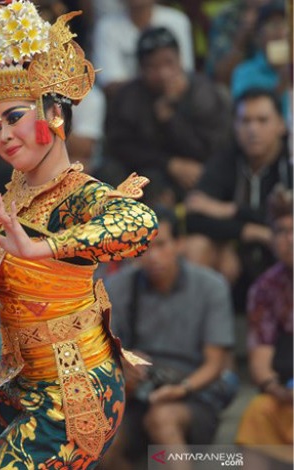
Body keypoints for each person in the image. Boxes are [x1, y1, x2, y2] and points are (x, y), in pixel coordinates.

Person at [0, 4, 158, 468]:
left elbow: (140, 224)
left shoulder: (78, 194)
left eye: (13, 117)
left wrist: (43, 247)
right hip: (20, 387)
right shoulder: (14, 198)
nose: (4, 135)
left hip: (71, 388)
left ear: (53, 111)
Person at [101, 206, 237, 469]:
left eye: (161, 245)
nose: (152, 256)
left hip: (193, 393)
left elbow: (214, 364)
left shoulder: (211, 286)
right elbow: (100, 351)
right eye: (143, 247)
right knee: (101, 439)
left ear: (179, 244)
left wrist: (181, 388)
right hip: (136, 393)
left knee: (162, 418)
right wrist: (122, 362)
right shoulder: (117, 286)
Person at [104, 26, 231, 204]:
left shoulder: (203, 93)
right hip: (146, 173)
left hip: (197, 170)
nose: (163, 73)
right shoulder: (128, 96)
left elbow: (210, 148)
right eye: (153, 66)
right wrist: (169, 164)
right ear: (141, 68)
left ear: (180, 60)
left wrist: (171, 119)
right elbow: (120, 146)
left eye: (168, 63)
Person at [185, 88, 292, 297]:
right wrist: (252, 231)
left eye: (262, 121)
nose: (253, 129)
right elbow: (195, 216)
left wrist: (231, 210)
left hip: (281, 252)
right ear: (235, 125)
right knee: (198, 245)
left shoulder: (289, 161)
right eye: (245, 121)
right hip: (240, 259)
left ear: (281, 124)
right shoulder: (226, 158)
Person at [235, 187, 293, 467]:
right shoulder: (265, 288)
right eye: (282, 231)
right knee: (259, 411)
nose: (291, 239)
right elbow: (261, 358)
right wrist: (278, 389)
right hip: (287, 395)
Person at [91, 0, 194, 98]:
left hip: (175, 100)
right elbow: (109, 84)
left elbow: (186, 74)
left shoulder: (178, 20)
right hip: (128, 105)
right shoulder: (106, 27)